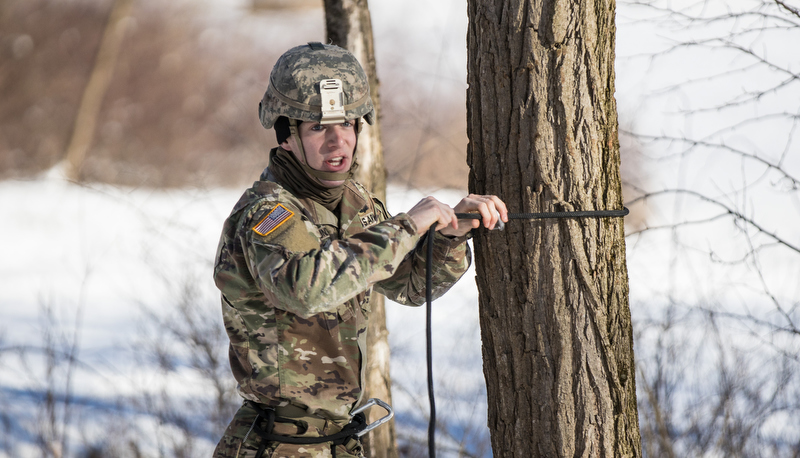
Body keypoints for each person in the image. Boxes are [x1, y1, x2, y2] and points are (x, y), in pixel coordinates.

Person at [212, 42, 507, 458]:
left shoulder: (357, 204)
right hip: (279, 443)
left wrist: (449, 236)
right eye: (318, 128)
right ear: (286, 135)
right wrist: (407, 225)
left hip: (340, 440)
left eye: (347, 124)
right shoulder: (268, 214)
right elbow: (307, 289)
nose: (338, 142)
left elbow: (410, 287)